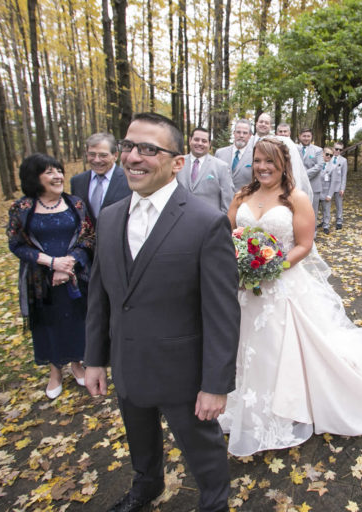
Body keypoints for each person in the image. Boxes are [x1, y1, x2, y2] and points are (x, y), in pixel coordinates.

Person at [219, 137, 362, 456]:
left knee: (279, 345)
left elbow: (304, 245)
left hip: (282, 285)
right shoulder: (242, 195)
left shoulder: (297, 199)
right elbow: (229, 234)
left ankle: (285, 405)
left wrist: (271, 267)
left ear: (284, 165)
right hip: (245, 289)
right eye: (257, 160)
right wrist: (241, 265)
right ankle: (245, 402)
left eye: (270, 162)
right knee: (245, 344)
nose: (262, 167)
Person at [84, 113, 240, 512]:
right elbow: (100, 295)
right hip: (128, 362)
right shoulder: (110, 215)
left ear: (177, 162)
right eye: (129, 146)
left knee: (203, 453)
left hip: (183, 372)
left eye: (149, 149)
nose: (134, 156)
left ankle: (214, 503)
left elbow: (222, 313)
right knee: (140, 441)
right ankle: (147, 487)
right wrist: (95, 360)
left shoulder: (206, 222)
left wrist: (216, 384)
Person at [7, 153, 94, 400]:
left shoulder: (76, 204)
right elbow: (16, 245)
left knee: (76, 320)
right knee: (48, 323)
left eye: (59, 170)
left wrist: (68, 264)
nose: (57, 176)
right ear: (35, 178)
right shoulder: (22, 208)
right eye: (49, 172)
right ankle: (55, 372)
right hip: (40, 281)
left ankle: (77, 363)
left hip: (75, 277)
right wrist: (51, 263)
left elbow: (88, 237)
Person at [70, 133, 131, 225]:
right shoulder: (77, 182)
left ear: (115, 155)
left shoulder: (129, 180)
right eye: (92, 154)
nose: (97, 160)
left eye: (103, 155)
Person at [177, 127, 233, 213]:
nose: (200, 143)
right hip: (180, 219)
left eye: (204, 141)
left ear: (209, 144)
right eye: (196, 139)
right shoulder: (178, 163)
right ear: (189, 140)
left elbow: (227, 201)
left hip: (209, 222)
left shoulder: (221, 167)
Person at [215, 119, 255, 191]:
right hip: (223, 199)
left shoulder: (254, 156)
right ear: (234, 133)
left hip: (244, 199)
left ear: (250, 136)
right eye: (238, 132)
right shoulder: (220, 153)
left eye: (245, 133)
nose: (241, 135)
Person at [297, 128, 325, 226]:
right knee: (298, 210)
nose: (306, 138)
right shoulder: (294, 148)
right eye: (304, 136)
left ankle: (313, 234)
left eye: (308, 136)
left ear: (311, 137)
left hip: (314, 185)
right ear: (300, 136)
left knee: (313, 211)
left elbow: (319, 166)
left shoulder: (318, 150)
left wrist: (303, 175)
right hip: (298, 185)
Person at [330, 141, 348, 229]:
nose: (337, 151)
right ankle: (325, 220)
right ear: (333, 148)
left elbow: (344, 175)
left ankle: (339, 220)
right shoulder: (328, 157)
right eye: (336, 149)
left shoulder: (343, 160)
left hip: (338, 185)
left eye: (340, 150)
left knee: (339, 204)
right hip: (328, 185)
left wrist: (342, 188)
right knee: (326, 205)